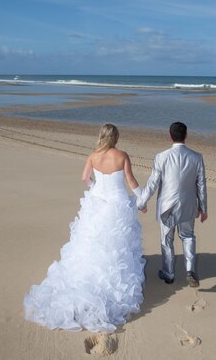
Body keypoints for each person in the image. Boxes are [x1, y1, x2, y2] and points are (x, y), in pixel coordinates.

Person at [23, 124, 146, 333]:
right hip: (116, 203)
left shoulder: (93, 156)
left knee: (91, 241)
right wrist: (142, 200)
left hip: (97, 201)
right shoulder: (122, 155)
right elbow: (131, 181)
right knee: (115, 244)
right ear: (115, 137)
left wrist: (94, 188)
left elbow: (85, 178)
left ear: (101, 136)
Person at [137, 122, 207, 288]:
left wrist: (141, 202)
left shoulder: (161, 157)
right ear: (186, 135)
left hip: (167, 206)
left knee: (167, 240)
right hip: (188, 205)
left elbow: (153, 183)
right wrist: (203, 207)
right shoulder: (197, 157)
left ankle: (169, 273)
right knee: (188, 236)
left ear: (170, 136)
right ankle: (190, 270)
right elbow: (201, 185)